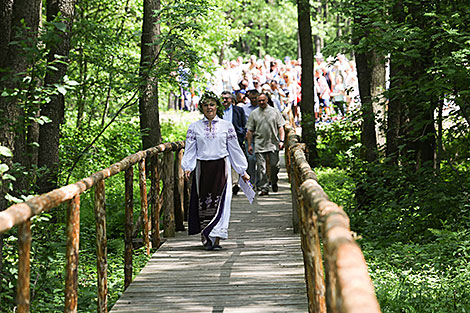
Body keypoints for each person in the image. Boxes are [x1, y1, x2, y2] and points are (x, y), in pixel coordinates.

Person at [181, 91, 250, 251]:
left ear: (217, 107)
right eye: (206, 105)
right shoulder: (194, 127)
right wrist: (188, 167)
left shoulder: (226, 126)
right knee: (204, 202)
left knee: (222, 203)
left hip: (221, 167)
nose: (209, 108)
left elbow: (234, 149)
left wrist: (242, 170)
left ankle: (217, 239)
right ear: (201, 108)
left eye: (212, 104)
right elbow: (191, 149)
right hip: (203, 169)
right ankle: (206, 237)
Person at [246, 92, 286, 196]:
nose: (261, 102)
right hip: (259, 144)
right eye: (259, 101)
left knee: (274, 165)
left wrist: (281, 140)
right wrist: (250, 145)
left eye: (263, 100)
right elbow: (249, 131)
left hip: (273, 143)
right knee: (261, 168)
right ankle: (263, 188)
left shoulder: (275, 112)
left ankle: (274, 180)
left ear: (267, 100)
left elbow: (281, 127)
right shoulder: (254, 114)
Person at [221, 91, 247, 195]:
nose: (225, 100)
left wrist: (241, 134)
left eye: (227, 98)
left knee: (235, 159)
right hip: (221, 141)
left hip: (236, 139)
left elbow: (243, 124)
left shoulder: (239, 110)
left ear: (232, 100)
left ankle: (235, 183)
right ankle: (225, 183)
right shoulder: (217, 111)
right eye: (223, 98)